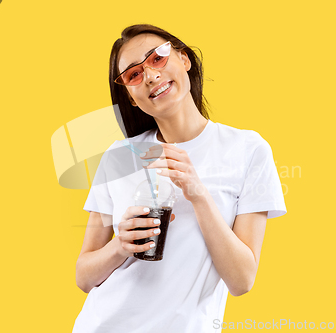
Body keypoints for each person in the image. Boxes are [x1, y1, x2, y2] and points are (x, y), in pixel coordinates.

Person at [72, 24, 287, 333]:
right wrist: (121, 244)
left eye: (157, 58)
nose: (149, 75)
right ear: (131, 98)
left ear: (184, 59)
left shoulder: (248, 150)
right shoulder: (120, 155)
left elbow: (242, 280)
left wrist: (198, 194)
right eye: (133, 74)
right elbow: (84, 276)